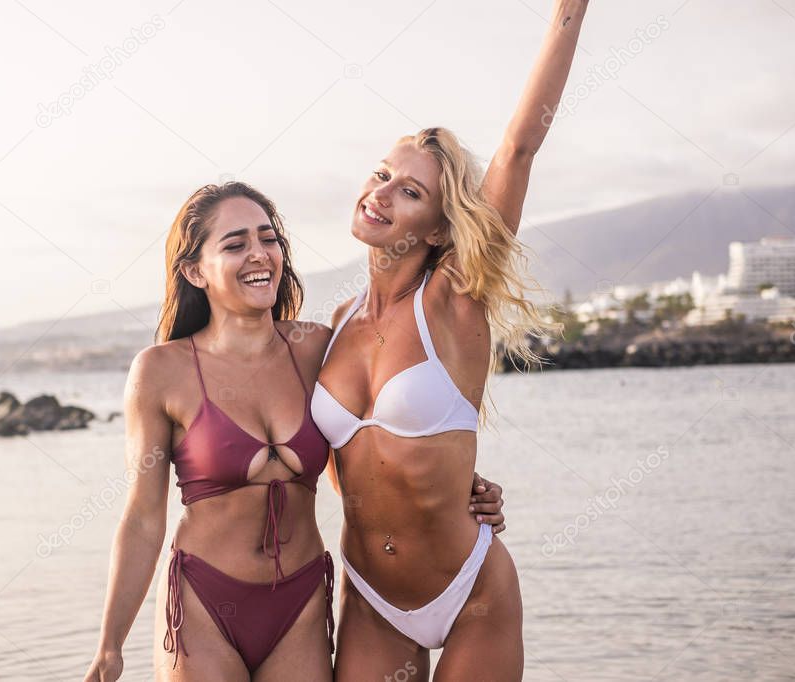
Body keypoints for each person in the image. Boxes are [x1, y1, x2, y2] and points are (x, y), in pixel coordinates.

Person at [82, 182, 506, 682]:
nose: (259, 254)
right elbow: (142, 517)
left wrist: (457, 488)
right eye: (235, 244)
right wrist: (110, 646)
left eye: (269, 238)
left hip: (300, 605)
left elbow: (378, 444)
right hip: (203, 603)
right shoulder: (160, 371)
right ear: (195, 271)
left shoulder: (316, 348)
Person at [312, 3, 590, 680]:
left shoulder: (454, 302)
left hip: (470, 593)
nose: (380, 194)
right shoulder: (333, 325)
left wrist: (568, 13)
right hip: (372, 599)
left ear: (437, 229)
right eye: (381, 175)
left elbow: (520, 145)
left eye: (407, 192)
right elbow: (336, 459)